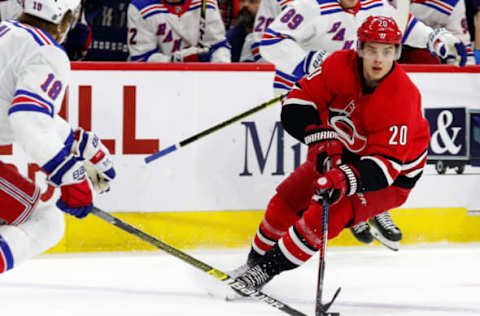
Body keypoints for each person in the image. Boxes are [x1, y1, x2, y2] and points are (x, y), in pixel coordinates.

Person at [232, 16, 430, 291]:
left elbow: (385, 168)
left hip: (391, 177)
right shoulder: (338, 65)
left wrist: (343, 179)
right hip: (343, 150)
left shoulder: (402, 96)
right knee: (287, 200)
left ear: (397, 52)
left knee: (321, 217)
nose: (378, 59)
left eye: (387, 51)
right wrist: (317, 134)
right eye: (372, 49)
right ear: (359, 47)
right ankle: (252, 263)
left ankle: (263, 273)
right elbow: (297, 102)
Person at [0, 0, 116, 273]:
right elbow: (27, 118)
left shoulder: (7, 31)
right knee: (46, 222)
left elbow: (11, 106)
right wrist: (68, 173)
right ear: (63, 17)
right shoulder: (46, 51)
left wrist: (75, 140)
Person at [127, 0, 231, 62]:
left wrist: (219, 75)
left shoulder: (206, 2)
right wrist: (179, 59)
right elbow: (141, 59)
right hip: (157, 82)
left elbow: (219, 46)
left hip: (200, 79)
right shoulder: (140, 7)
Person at [397, 0, 475, 64]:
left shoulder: (453, 3)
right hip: (389, 43)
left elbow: (460, 52)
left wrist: (464, 76)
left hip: (420, 49)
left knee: (427, 60)